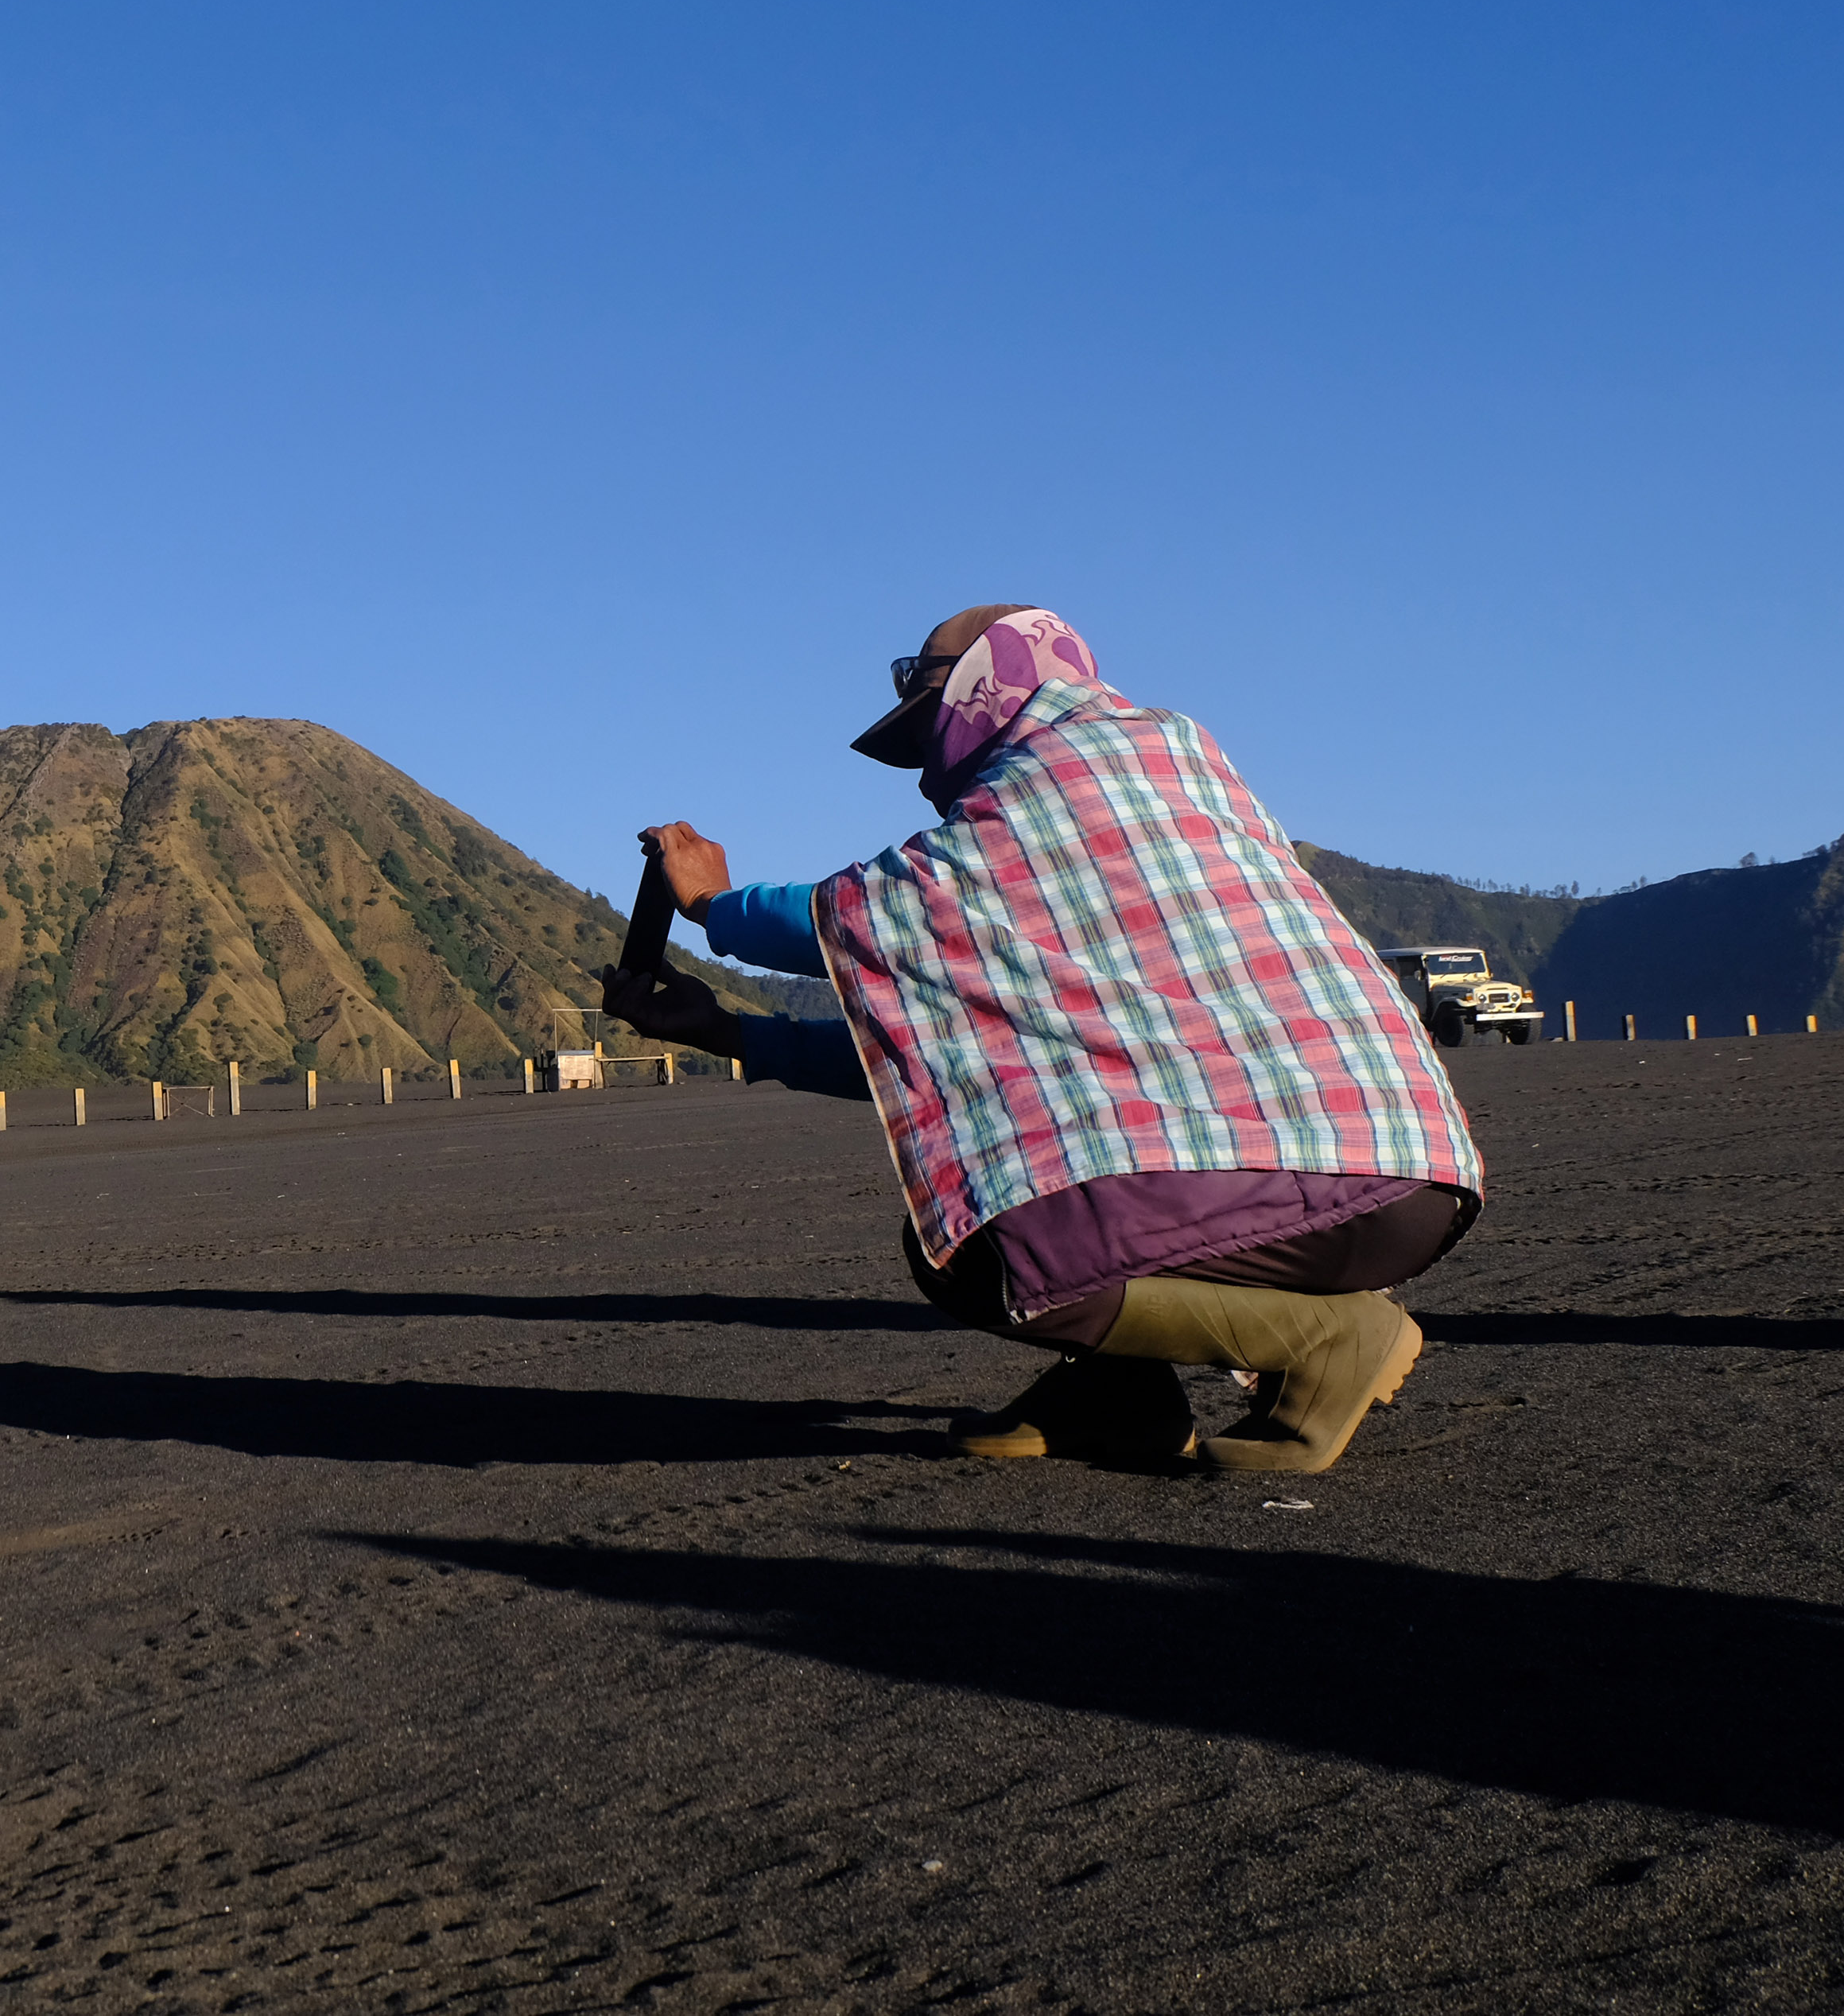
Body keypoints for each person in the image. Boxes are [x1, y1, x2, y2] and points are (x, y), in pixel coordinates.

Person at [602, 604, 1483, 1474]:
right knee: (1052, 1150)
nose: (920, 774)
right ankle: (1116, 1397)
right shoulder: (1164, 776)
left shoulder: (1081, 767)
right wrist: (727, 1033)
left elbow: (873, 915)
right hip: (1397, 1169)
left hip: (1330, 1181)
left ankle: (1332, 1335)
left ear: (993, 678)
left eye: (929, 719)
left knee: (984, 1243)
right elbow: (943, 1060)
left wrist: (716, 907)